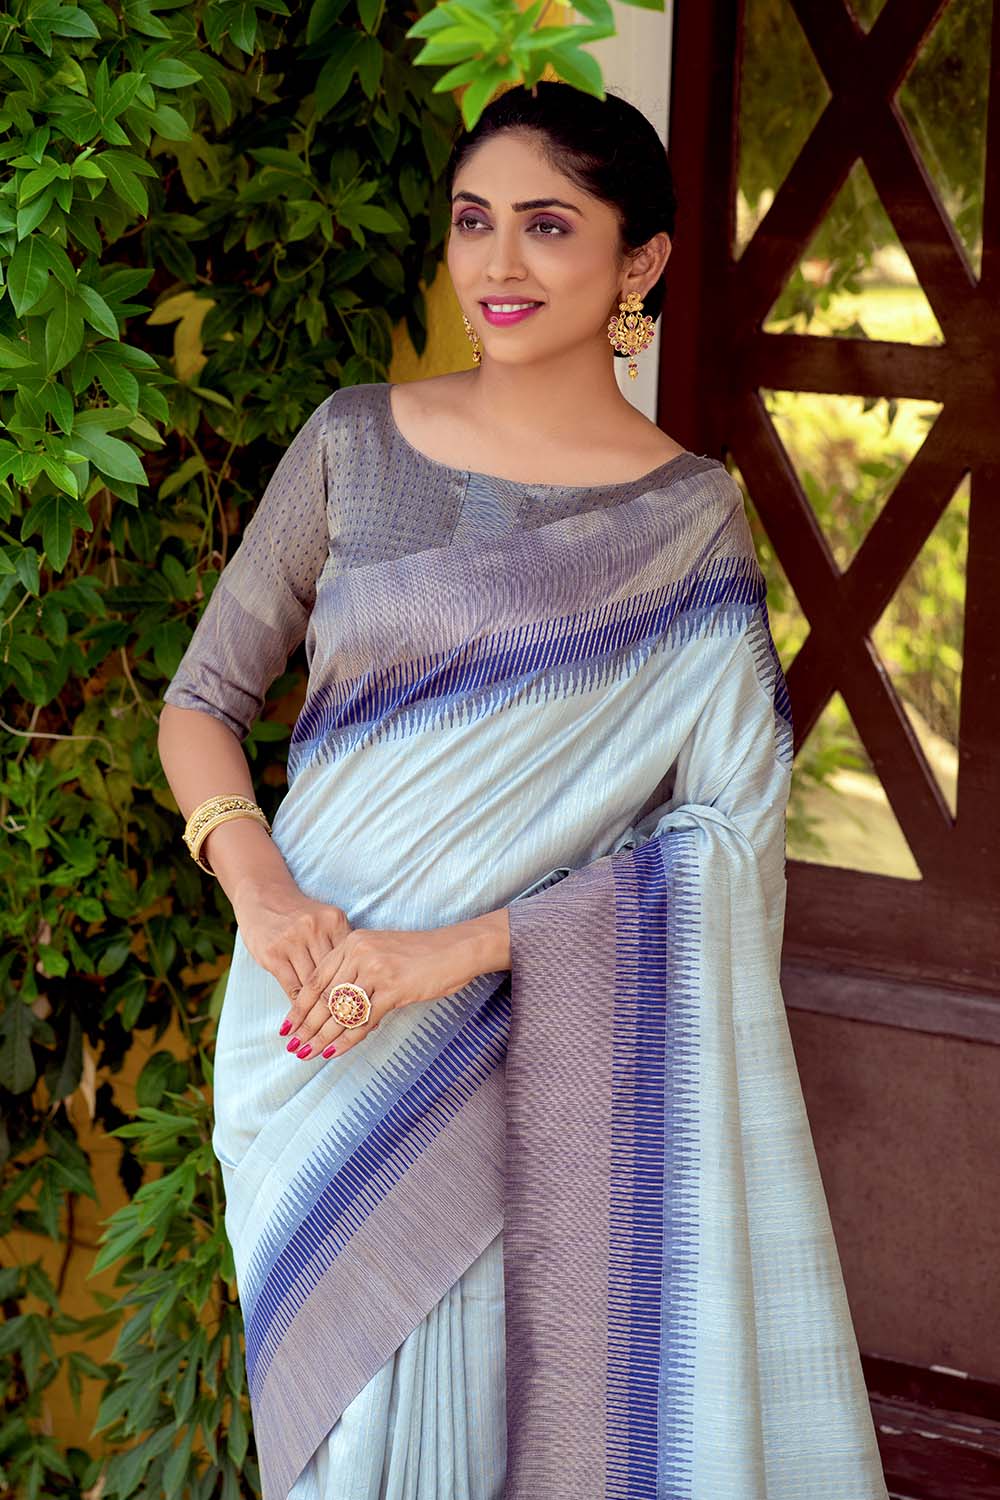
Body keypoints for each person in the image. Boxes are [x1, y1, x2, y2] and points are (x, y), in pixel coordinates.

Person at [158, 80, 890, 1500]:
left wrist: (452, 953)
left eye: (548, 226)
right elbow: (202, 703)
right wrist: (267, 897)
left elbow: (730, 839)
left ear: (640, 263)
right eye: (473, 220)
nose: (497, 262)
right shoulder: (351, 444)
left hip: (528, 1053)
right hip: (314, 1032)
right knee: (343, 1442)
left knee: (516, 1429)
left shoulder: (687, 522)